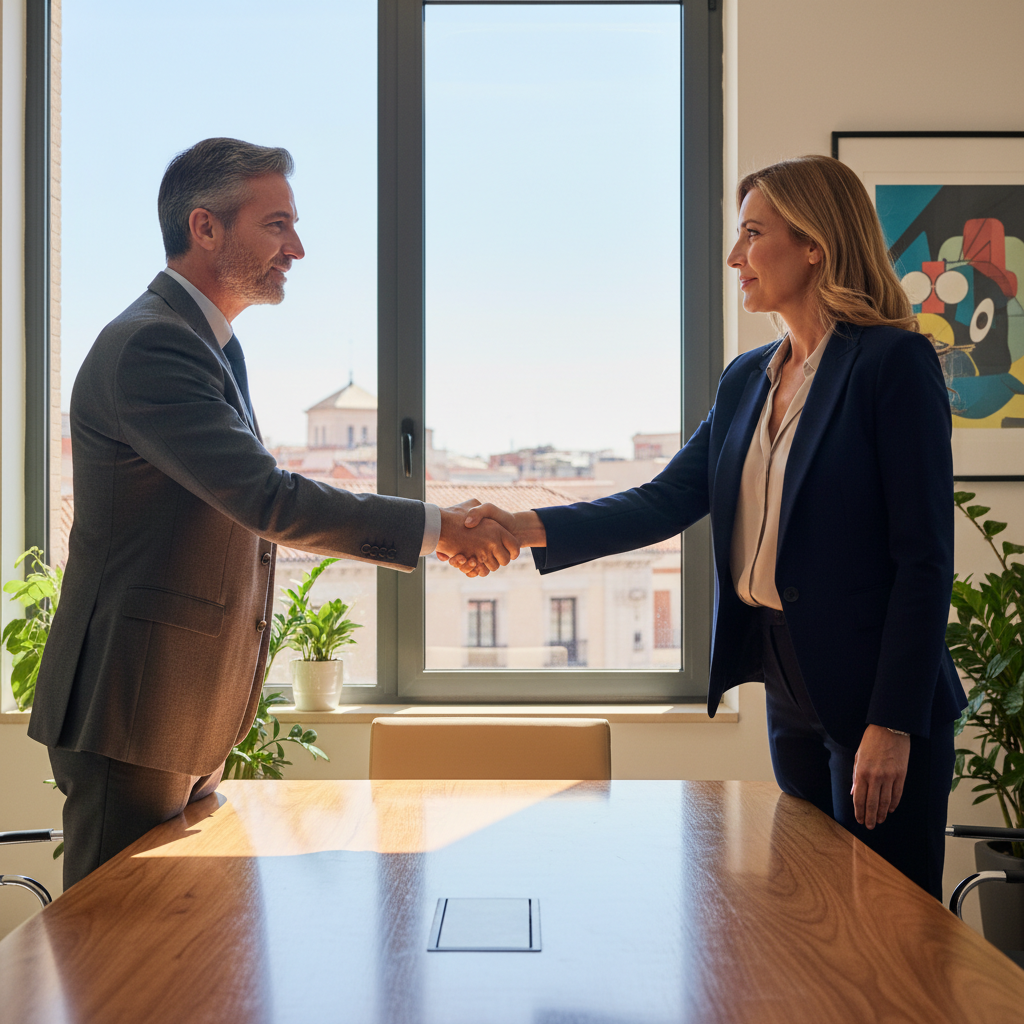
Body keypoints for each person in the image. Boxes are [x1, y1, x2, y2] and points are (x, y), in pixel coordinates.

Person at [448, 155, 967, 899]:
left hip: (877, 691)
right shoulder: (745, 377)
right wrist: (521, 522)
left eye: (753, 234)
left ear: (814, 243)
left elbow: (924, 561)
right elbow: (663, 501)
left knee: (889, 926)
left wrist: (893, 722)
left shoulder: (893, 362)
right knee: (810, 912)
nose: (735, 257)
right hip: (788, 683)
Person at [30, 137, 519, 888]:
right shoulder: (154, 345)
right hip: (131, 707)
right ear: (205, 228)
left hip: (177, 706)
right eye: (277, 224)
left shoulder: (210, 344)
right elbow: (264, 498)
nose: (297, 248)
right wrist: (439, 529)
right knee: (115, 960)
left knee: (180, 953)